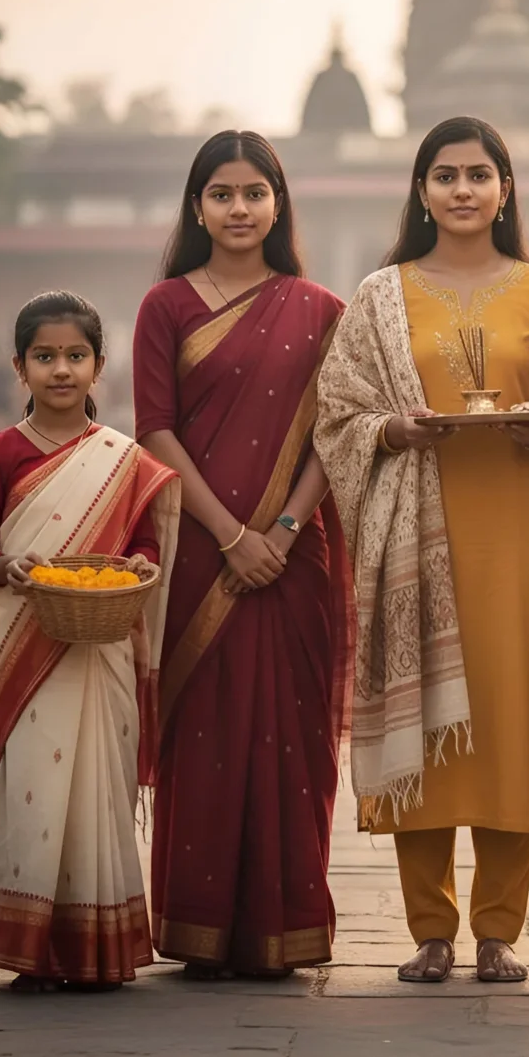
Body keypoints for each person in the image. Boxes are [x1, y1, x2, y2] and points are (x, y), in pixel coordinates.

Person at [313, 116, 529, 986]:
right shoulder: (380, 294)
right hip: (411, 538)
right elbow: (336, 414)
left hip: (513, 538)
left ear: (505, 190)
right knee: (421, 721)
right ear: (422, 192)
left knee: (508, 722)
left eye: (479, 175)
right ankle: (430, 929)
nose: (463, 190)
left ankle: (499, 930)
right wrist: (392, 429)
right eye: (445, 175)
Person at [131, 131, 351, 978]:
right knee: (205, 734)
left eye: (254, 192)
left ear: (278, 204)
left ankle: (281, 928)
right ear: (197, 207)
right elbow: (155, 431)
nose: (238, 208)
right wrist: (231, 535)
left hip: (296, 561)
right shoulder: (166, 308)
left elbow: (334, 435)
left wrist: (283, 531)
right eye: (221, 193)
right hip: (199, 553)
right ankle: (199, 926)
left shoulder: (321, 310)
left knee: (294, 738)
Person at [0, 291, 180, 991]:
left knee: (98, 790)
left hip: (101, 644)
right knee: (32, 789)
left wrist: (140, 563)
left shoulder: (122, 459)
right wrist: (7, 567)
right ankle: (31, 951)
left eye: (76, 356)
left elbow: (144, 541)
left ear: (98, 366)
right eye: (45, 356)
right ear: (19, 367)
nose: (61, 370)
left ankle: (98, 952)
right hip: (26, 645)